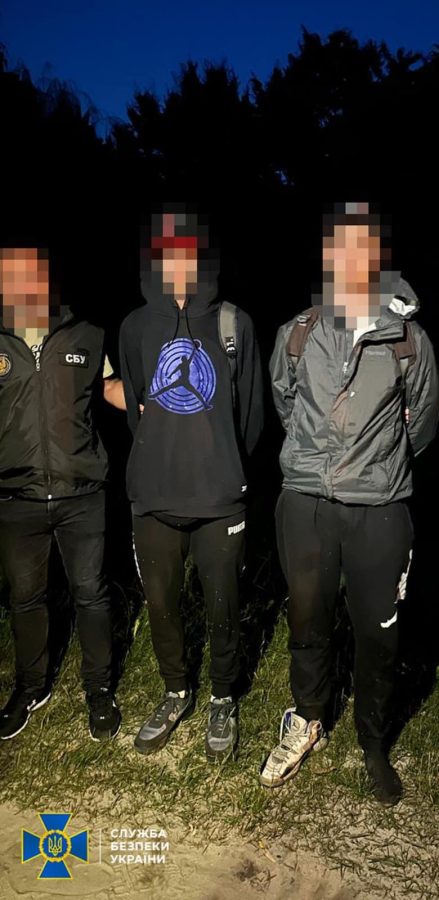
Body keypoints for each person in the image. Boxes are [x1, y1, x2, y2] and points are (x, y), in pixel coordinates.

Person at [261, 202, 439, 804]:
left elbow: (423, 426)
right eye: (340, 246)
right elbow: (286, 406)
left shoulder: (410, 341)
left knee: (378, 635)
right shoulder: (298, 332)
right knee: (307, 619)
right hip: (305, 504)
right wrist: (317, 463)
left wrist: (374, 464)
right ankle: (308, 718)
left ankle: (373, 741)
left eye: (363, 246)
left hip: (380, 509)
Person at [119, 203, 263, 760]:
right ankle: (176, 690)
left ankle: (223, 697)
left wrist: (220, 461)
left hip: (219, 499)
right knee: (162, 606)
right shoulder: (135, 327)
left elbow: (251, 418)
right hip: (152, 496)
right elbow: (138, 409)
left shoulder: (234, 324)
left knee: (224, 605)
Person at [0, 244, 121, 742]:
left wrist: (157, 399)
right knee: (25, 598)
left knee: (90, 594)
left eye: (29, 273)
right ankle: (30, 687)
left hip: (81, 492)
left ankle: (100, 690)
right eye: (10, 275)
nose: (21, 284)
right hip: (16, 495)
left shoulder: (86, 332)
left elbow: (110, 386)